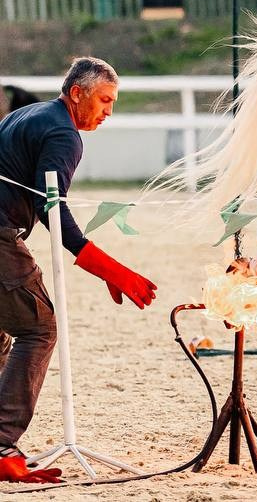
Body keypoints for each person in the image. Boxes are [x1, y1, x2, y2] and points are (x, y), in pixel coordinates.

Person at [0, 58, 156, 482]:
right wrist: (112, 270)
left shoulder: (26, 114)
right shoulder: (64, 134)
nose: (109, 112)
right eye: (104, 100)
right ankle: (2, 445)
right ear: (76, 93)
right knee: (39, 327)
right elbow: (52, 212)